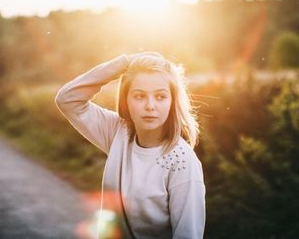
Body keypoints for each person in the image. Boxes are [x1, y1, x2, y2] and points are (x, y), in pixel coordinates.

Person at [55, 52, 206, 239]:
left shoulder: (182, 161)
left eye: (160, 97)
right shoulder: (118, 131)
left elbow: (188, 235)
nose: (150, 106)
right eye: (139, 96)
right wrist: (123, 64)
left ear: (172, 101)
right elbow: (67, 100)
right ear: (126, 99)